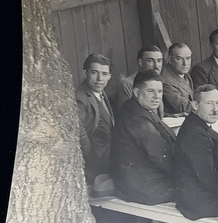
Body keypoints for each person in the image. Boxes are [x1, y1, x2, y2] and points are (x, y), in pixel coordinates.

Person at [111, 69, 177, 205]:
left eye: (159, 91)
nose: (157, 96)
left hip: (144, 177)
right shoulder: (136, 117)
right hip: (143, 185)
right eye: (151, 91)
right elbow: (159, 155)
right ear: (136, 92)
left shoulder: (140, 109)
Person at [173, 85, 218, 221]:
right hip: (199, 201)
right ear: (195, 105)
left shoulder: (197, 124)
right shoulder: (195, 134)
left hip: (201, 192)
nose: (216, 109)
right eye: (209, 103)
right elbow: (208, 178)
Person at [76, 53, 115, 186]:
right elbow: (77, 127)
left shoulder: (100, 93)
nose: (100, 79)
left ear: (109, 76)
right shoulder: (81, 97)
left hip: (105, 159)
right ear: (85, 73)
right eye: (94, 72)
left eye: (104, 74)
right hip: (93, 163)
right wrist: (89, 152)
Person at [117, 45, 164, 117]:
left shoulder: (158, 81)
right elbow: (130, 114)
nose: (156, 66)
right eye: (150, 61)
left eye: (159, 61)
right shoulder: (127, 84)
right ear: (141, 63)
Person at [161, 43, 194, 116]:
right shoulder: (166, 79)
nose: (185, 63)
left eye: (188, 58)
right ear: (169, 60)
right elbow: (184, 106)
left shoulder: (182, 73)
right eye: (179, 59)